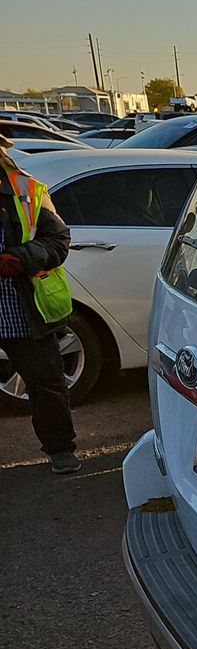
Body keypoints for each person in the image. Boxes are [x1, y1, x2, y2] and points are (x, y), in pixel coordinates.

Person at [0, 135, 79, 473]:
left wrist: (21, 258)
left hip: (19, 311)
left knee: (47, 383)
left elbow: (58, 238)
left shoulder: (26, 190)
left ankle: (61, 450)